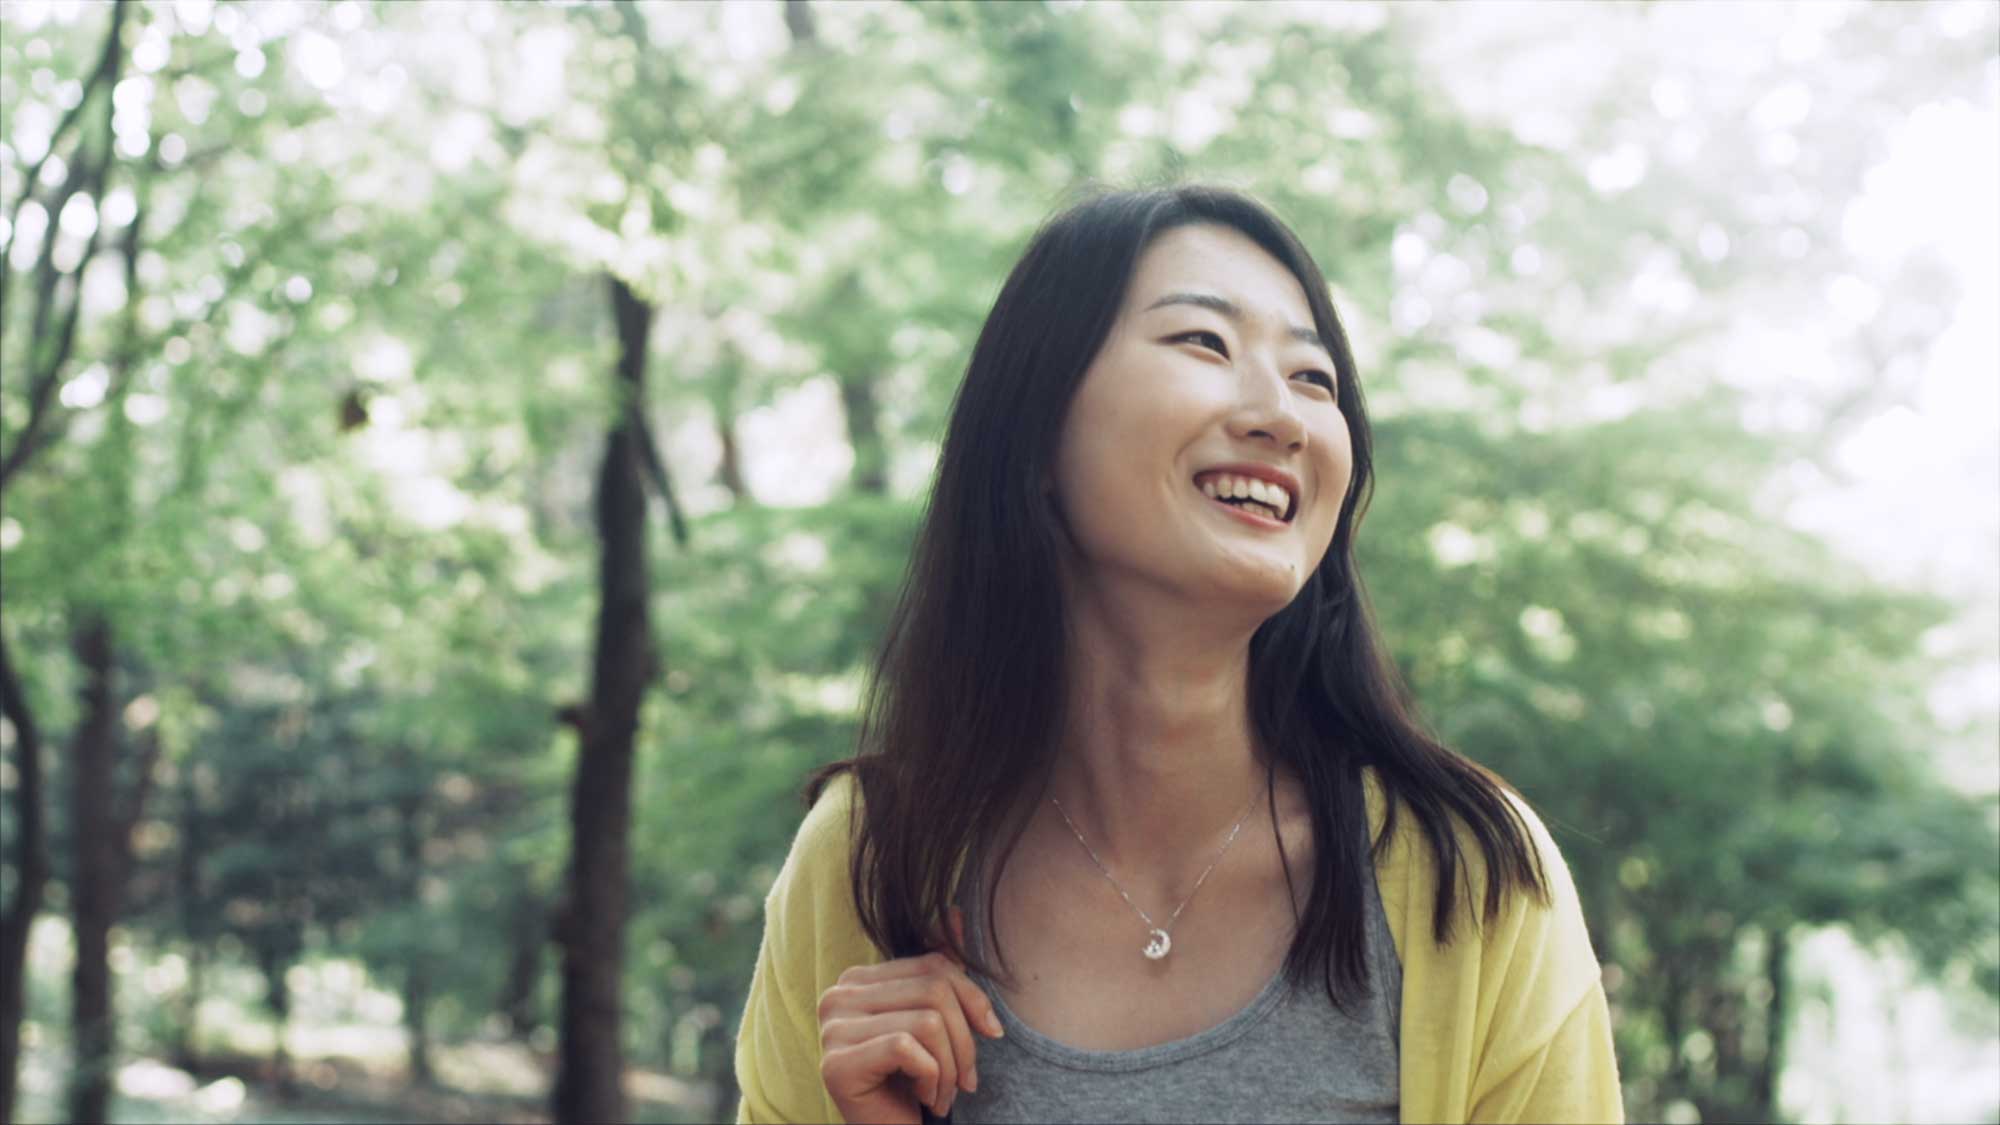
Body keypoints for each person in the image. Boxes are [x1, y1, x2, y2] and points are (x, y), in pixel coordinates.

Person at [733, 185, 1623, 1124]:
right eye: (1204, 342)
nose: (1282, 416)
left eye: (1313, 378)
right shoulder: (868, 860)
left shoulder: (1470, 876)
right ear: (1036, 427)